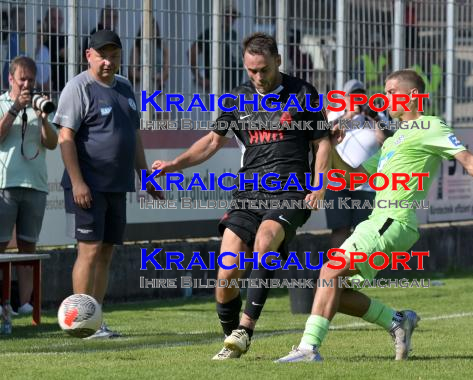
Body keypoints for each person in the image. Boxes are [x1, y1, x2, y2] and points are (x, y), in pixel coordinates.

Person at [276, 69, 473, 362]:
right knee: (335, 287)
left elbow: (468, 159)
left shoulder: (430, 125)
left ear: (412, 96)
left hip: (394, 221)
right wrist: (332, 147)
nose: (384, 99)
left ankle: (309, 349)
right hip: (377, 222)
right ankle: (396, 321)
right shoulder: (392, 140)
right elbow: (351, 177)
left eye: (390, 92)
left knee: (329, 271)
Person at [152, 32, 332, 360]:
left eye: (263, 69)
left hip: (290, 192)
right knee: (225, 274)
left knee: (265, 241)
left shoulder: (303, 93)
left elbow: (322, 143)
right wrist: (174, 164)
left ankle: (246, 328)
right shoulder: (238, 98)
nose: (258, 77)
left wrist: (319, 184)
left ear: (278, 60)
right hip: (248, 194)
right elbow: (211, 141)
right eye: (251, 71)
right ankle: (232, 341)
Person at [53, 30, 162, 339]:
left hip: (117, 185)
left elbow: (134, 136)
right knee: (88, 251)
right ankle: (79, 322)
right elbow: (65, 139)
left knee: (105, 254)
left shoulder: (126, 86)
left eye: (114, 56)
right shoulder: (78, 87)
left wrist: (146, 176)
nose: (108, 61)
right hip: (88, 186)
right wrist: (77, 182)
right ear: (89, 55)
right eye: (102, 55)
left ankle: (95, 320)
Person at [0, 56, 58, 315]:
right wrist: (14, 109)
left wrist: (43, 118)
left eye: (31, 80)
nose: (26, 84)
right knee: (0, 248)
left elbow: (52, 143)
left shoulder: (39, 104)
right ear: (10, 79)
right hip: (5, 185)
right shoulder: (2, 103)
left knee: (28, 247)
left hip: (35, 185)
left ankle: (24, 304)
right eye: (22, 79)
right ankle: (2, 304)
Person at [325, 79, 388, 249]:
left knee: (364, 232)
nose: (356, 99)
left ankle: (359, 272)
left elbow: (386, 141)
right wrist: (349, 115)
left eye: (360, 95)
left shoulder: (376, 116)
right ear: (344, 97)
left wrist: (373, 117)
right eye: (352, 96)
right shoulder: (336, 114)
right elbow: (326, 132)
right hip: (337, 183)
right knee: (340, 229)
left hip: (366, 185)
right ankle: (335, 271)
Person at [189, 5, 242, 93]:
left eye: (233, 16)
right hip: (215, 87)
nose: (231, 19)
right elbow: (192, 53)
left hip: (232, 88)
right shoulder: (210, 33)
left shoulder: (233, 34)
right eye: (227, 15)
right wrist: (199, 78)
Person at [80, 5, 118, 71]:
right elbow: (85, 60)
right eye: (108, 17)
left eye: (114, 17)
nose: (112, 20)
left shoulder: (114, 34)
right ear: (102, 18)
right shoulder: (94, 35)